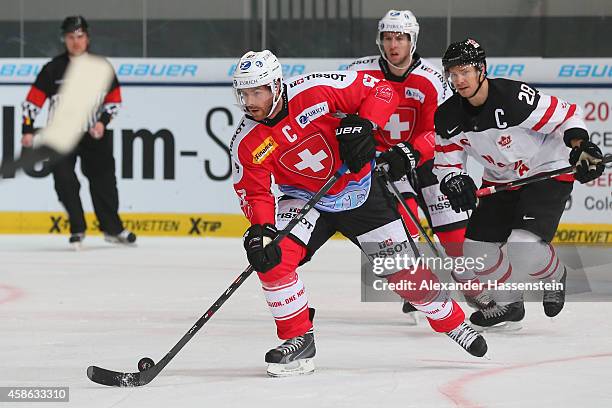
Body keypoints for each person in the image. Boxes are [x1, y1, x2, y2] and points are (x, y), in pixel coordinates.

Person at [230, 49, 488, 377]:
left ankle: (452, 322)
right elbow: (254, 191)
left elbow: (379, 91)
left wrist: (365, 124)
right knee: (273, 257)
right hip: (304, 199)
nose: (250, 101)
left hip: (359, 191)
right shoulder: (246, 141)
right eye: (244, 93)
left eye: (257, 91)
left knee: (407, 277)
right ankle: (297, 338)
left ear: (276, 85)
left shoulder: (315, 89)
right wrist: (262, 229)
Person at [433, 38, 604, 329]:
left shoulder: (513, 97)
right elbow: (447, 159)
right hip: (501, 179)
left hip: (545, 167)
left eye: (465, 71)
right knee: (476, 252)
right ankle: (510, 303)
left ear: (481, 70)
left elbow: (566, 115)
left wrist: (581, 146)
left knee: (522, 245)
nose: (459, 79)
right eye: (453, 73)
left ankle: (555, 275)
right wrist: (454, 180)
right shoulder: (447, 116)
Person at [348, 10, 491, 323]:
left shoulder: (431, 78)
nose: (393, 44)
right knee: (402, 231)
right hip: (384, 164)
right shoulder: (359, 72)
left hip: (425, 159)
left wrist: (411, 152)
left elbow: (436, 130)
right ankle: (421, 291)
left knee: (455, 235)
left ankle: (474, 288)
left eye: (400, 37)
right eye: (387, 37)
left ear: (412, 39)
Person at [21, 16, 136, 249]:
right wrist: (27, 129)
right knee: (65, 181)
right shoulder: (52, 69)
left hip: (94, 135)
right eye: (71, 37)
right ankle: (77, 228)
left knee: (104, 182)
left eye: (80, 36)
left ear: (88, 38)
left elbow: (114, 100)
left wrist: (103, 122)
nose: (76, 42)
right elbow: (31, 103)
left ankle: (113, 229)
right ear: (64, 39)